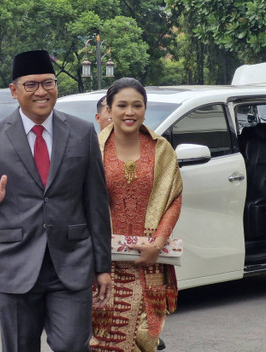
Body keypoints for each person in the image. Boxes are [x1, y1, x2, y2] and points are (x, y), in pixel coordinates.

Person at [0, 49, 112, 352]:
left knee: (72, 345)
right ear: (14, 91)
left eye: (48, 83)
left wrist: (102, 265)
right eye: (31, 85)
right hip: (15, 263)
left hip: (71, 263)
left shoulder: (81, 132)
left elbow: (96, 201)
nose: (41, 92)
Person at [91, 77, 182, 352]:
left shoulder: (161, 148)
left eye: (137, 105)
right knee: (107, 336)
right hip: (106, 261)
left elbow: (174, 199)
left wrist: (157, 244)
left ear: (145, 108)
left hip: (149, 258)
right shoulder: (93, 149)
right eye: (122, 105)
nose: (129, 112)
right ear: (109, 108)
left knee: (144, 336)